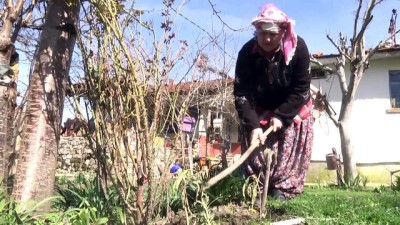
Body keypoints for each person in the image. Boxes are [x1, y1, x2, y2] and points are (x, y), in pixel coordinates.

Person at [234, 3, 314, 201]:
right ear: (256, 32)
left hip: (292, 105)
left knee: (288, 142)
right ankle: (260, 184)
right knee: (256, 142)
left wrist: (281, 116)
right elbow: (241, 93)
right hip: (260, 106)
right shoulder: (246, 54)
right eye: (262, 33)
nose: (267, 39)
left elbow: (301, 89)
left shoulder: (299, 49)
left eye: (273, 34)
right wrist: (253, 125)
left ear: (283, 32)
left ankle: (283, 188)